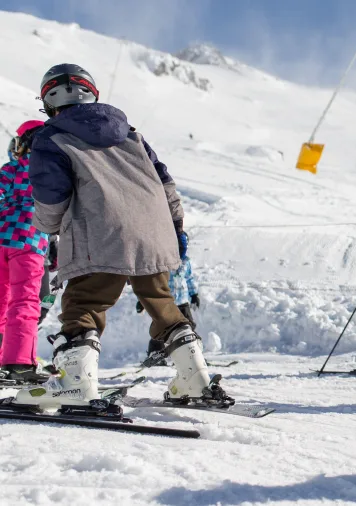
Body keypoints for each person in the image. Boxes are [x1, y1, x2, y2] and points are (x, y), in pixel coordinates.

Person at [15, 63, 229, 408]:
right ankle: (195, 378)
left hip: (97, 232)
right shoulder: (132, 135)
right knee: (161, 301)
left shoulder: (49, 137)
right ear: (92, 94)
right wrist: (175, 232)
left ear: (49, 103)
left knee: (84, 302)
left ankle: (73, 384)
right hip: (154, 232)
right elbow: (167, 187)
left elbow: (52, 197)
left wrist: (49, 229)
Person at [0, 120, 51, 383]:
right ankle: (18, 363)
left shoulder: (9, 170)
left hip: (1, 240)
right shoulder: (49, 174)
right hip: (30, 243)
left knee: (1, 300)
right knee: (24, 301)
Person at [138, 233, 200, 364]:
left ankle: (194, 355)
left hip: (183, 301)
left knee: (188, 327)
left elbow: (189, 279)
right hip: (167, 301)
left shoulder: (186, 262)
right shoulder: (164, 260)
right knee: (162, 326)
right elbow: (154, 282)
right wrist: (142, 301)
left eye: (184, 246)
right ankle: (155, 354)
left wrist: (194, 294)